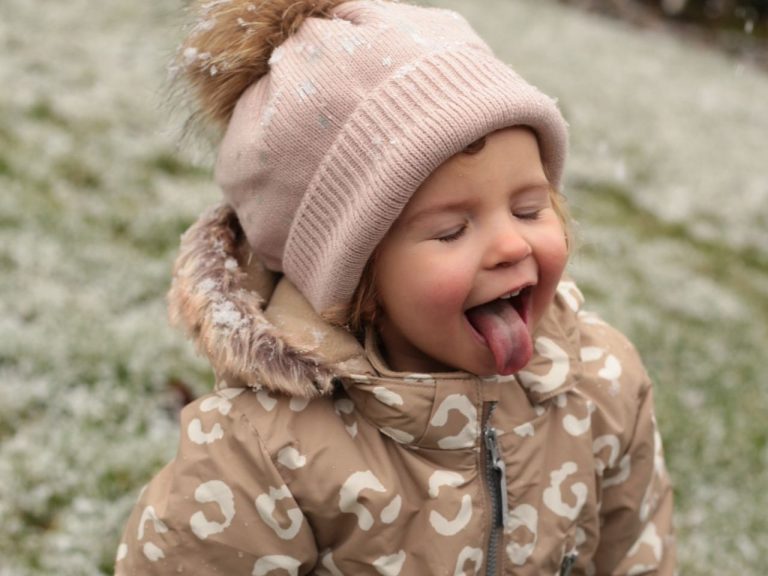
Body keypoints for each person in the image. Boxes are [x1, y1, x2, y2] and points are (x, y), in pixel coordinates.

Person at [114, 0, 676, 574]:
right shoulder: (264, 457)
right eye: (452, 230)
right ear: (356, 278)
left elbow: (635, 554)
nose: (512, 246)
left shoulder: (603, 387)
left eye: (530, 209)